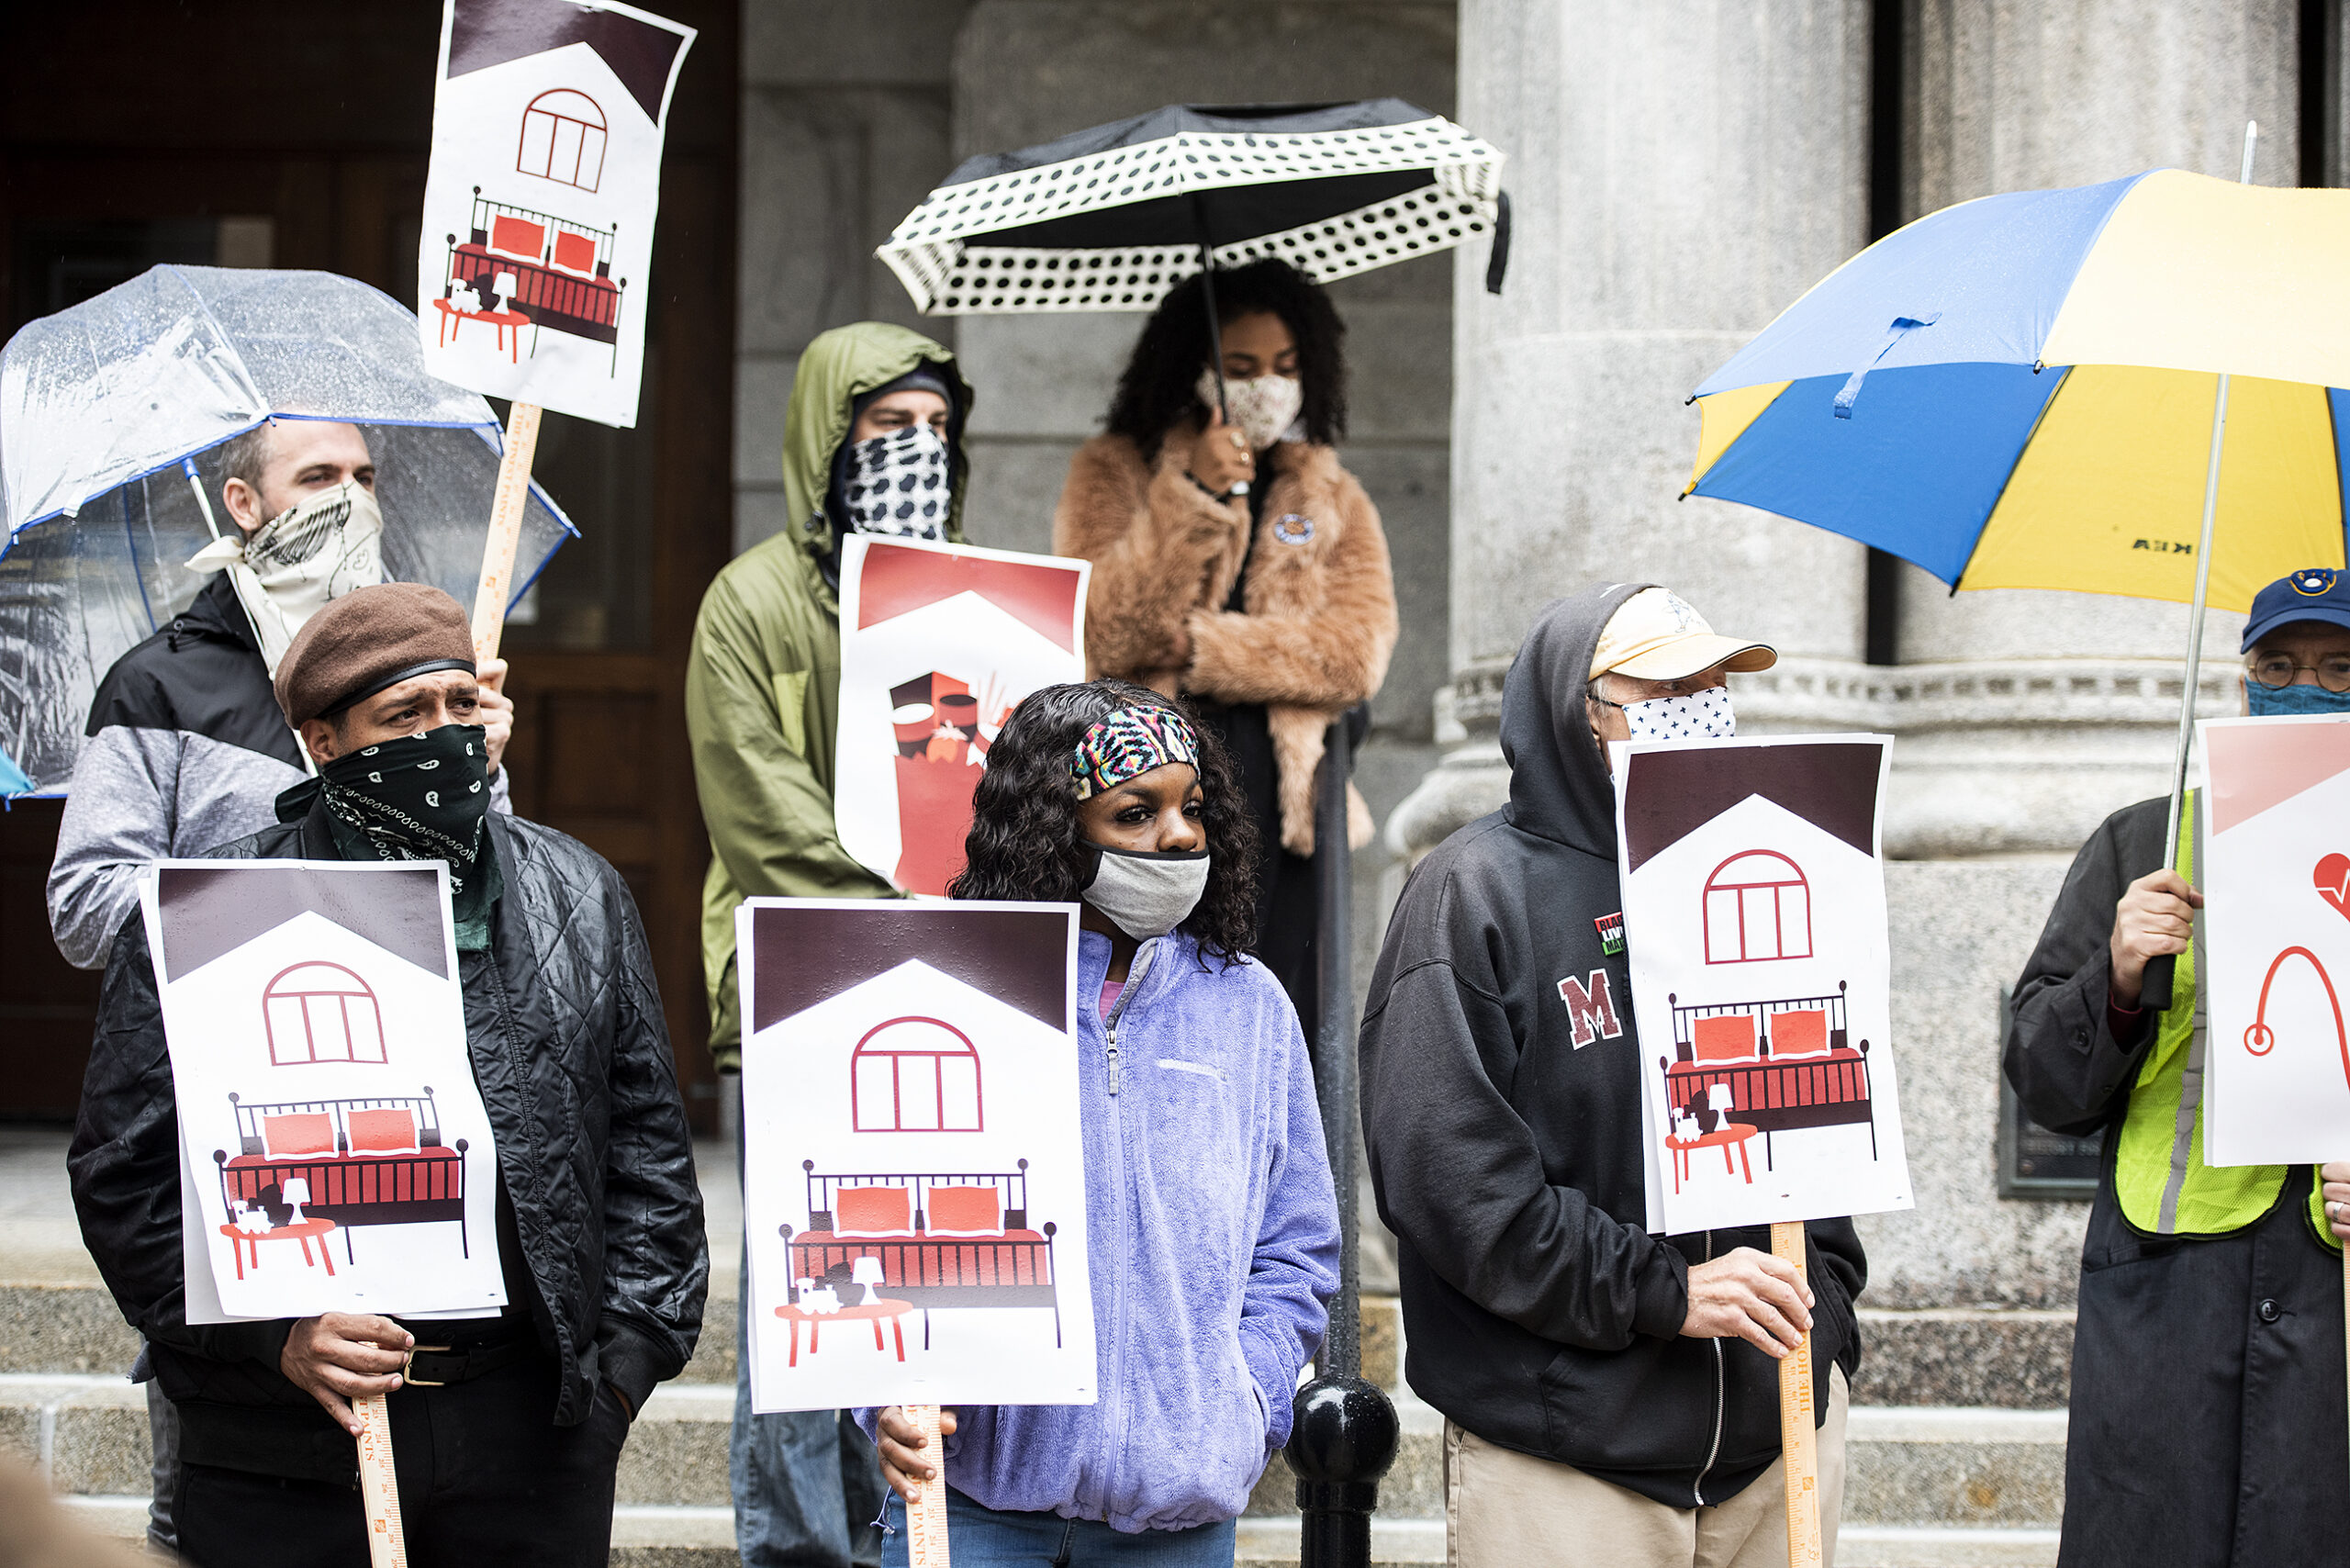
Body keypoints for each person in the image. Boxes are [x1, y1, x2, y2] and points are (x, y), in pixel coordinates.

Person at [68, 583, 705, 1568]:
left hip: (530, 1435)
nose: (443, 734)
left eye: (460, 704)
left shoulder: (581, 892)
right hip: (283, 1447)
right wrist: (271, 1336)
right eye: (403, 715)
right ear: (323, 742)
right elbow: (125, 1171)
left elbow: (649, 1158)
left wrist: (614, 1378)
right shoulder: (212, 914)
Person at [43, 416, 514, 1557]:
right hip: (235, 1142)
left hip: (405, 1126)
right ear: (244, 506)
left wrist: (473, 774)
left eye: (364, 478)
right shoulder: (157, 683)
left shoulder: (430, 686)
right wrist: (261, 902)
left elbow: (492, 905)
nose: (350, 497)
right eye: (318, 478)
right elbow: (81, 905)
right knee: (213, 1491)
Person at [1360, 585, 1867, 1568]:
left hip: (1778, 1437)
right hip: (1568, 1454)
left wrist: (1830, 1319)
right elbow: (1451, 1181)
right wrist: (1662, 1290)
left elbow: (1824, 1105)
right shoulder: (1472, 892)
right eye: (1669, 684)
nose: (1704, 702)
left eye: (1718, 680)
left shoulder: (1764, 863)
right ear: (1575, 709)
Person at [870, 680, 1340, 1562]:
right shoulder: (950, 1001)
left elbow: (1298, 1245)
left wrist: (1247, 1400)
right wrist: (881, 1393)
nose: (1179, 835)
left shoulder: (1248, 1007)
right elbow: (880, 1223)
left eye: (1192, 807)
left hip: (1178, 1522)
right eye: (1136, 812)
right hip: (971, 1509)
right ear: (1057, 831)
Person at [686, 321, 975, 1568]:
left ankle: (906, 1536)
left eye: (935, 431)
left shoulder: (971, 606)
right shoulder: (747, 603)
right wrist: (912, 913)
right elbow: (759, 809)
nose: (916, 452)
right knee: (816, 1292)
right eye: (886, 430)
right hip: (800, 982)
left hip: (955, 988)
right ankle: (803, 1548)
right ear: (827, 443)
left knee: (927, 1275)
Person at [2006, 566, 2350, 1567]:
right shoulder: (2142, 842)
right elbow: (2042, 1079)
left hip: (2332, 1294)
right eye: (2276, 665)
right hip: (2166, 1286)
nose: (2305, 687)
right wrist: (2113, 975)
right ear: (2240, 682)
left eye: (2338, 668)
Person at [1053, 259, 1396, 1047]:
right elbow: (1105, 630)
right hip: (1154, 795)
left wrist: (1206, 645)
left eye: (1284, 367)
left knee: (1280, 1017)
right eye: (1241, 368)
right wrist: (1193, 500)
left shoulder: (1333, 495)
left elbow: (1353, 655)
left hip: (1291, 803)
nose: (1266, 387)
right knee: (1161, 1006)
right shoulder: (1114, 470)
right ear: (1195, 368)